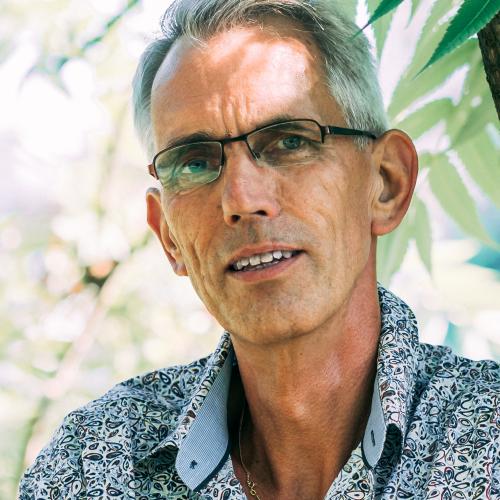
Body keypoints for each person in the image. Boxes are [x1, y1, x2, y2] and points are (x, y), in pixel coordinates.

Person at [19, 0, 499, 498]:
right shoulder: (91, 467)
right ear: (168, 235)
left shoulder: (488, 441)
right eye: (196, 162)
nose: (242, 200)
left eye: (289, 141)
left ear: (386, 184)